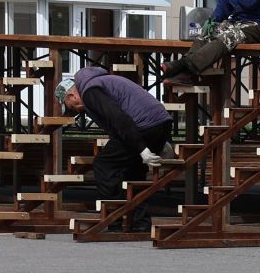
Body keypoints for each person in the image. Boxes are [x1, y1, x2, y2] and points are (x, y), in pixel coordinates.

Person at [57, 67, 173, 230]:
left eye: (70, 107)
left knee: (104, 165)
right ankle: (141, 224)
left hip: (143, 127)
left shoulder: (90, 91)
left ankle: (114, 220)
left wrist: (142, 148)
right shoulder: (104, 82)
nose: (75, 111)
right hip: (160, 123)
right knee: (134, 173)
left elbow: (118, 118)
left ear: (72, 95)